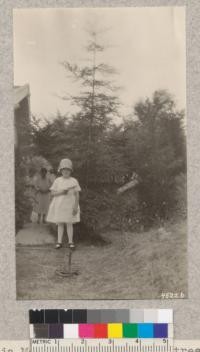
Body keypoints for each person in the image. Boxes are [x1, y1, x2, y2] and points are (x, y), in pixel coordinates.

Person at [46, 158, 81, 249]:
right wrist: (61, 192)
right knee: (60, 224)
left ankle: (70, 242)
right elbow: (52, 193)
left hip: (70, 205)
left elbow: (77, 195)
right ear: (61, 170)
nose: (66, 171)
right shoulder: (58, 180)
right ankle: (59, 242)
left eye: (68, 170)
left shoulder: (74, 181)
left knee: (69, 223)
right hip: (59, 205)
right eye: (64, 169)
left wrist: (75, 207)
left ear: (71, 171)